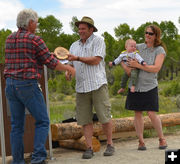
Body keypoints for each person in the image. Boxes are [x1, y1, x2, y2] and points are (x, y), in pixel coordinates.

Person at [4, 9, 75, 164]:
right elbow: (51, 63)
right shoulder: (35, 39)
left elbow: (30, 55)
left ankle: (17, 161)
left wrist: (48, 54)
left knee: (16, 126)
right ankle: (38, 159)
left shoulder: (9, 39)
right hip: (28, 85)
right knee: (42, 121)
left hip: (10, 85)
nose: (36, 25)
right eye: (36, 22)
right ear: (30, 23)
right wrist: (69, 68)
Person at [66, 16, 115, 159]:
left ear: (91, 29)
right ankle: (89, 148)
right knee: (84, 119)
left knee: (104, 116)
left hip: (97, 84)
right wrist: (68, 72)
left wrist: (77, 59)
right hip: (81, 87)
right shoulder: (74, 45)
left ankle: (110, 145)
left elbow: (96, 60)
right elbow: (70, 64)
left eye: (83, 29)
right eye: (79, 29)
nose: (80, 31)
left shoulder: (99, 41)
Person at [121, 24, 167, 150]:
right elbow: (123, 56)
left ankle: (162, 139)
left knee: (151, 113)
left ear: (156, 36)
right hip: (135, 86)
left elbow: (156, 68)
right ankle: (141, 141)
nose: (147, 35)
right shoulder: (138, 47)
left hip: (150, 86)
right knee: (137, 113)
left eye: (150, 33)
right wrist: (127, 69)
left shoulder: (159, 50)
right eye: (146, 32)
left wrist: (139, 66)